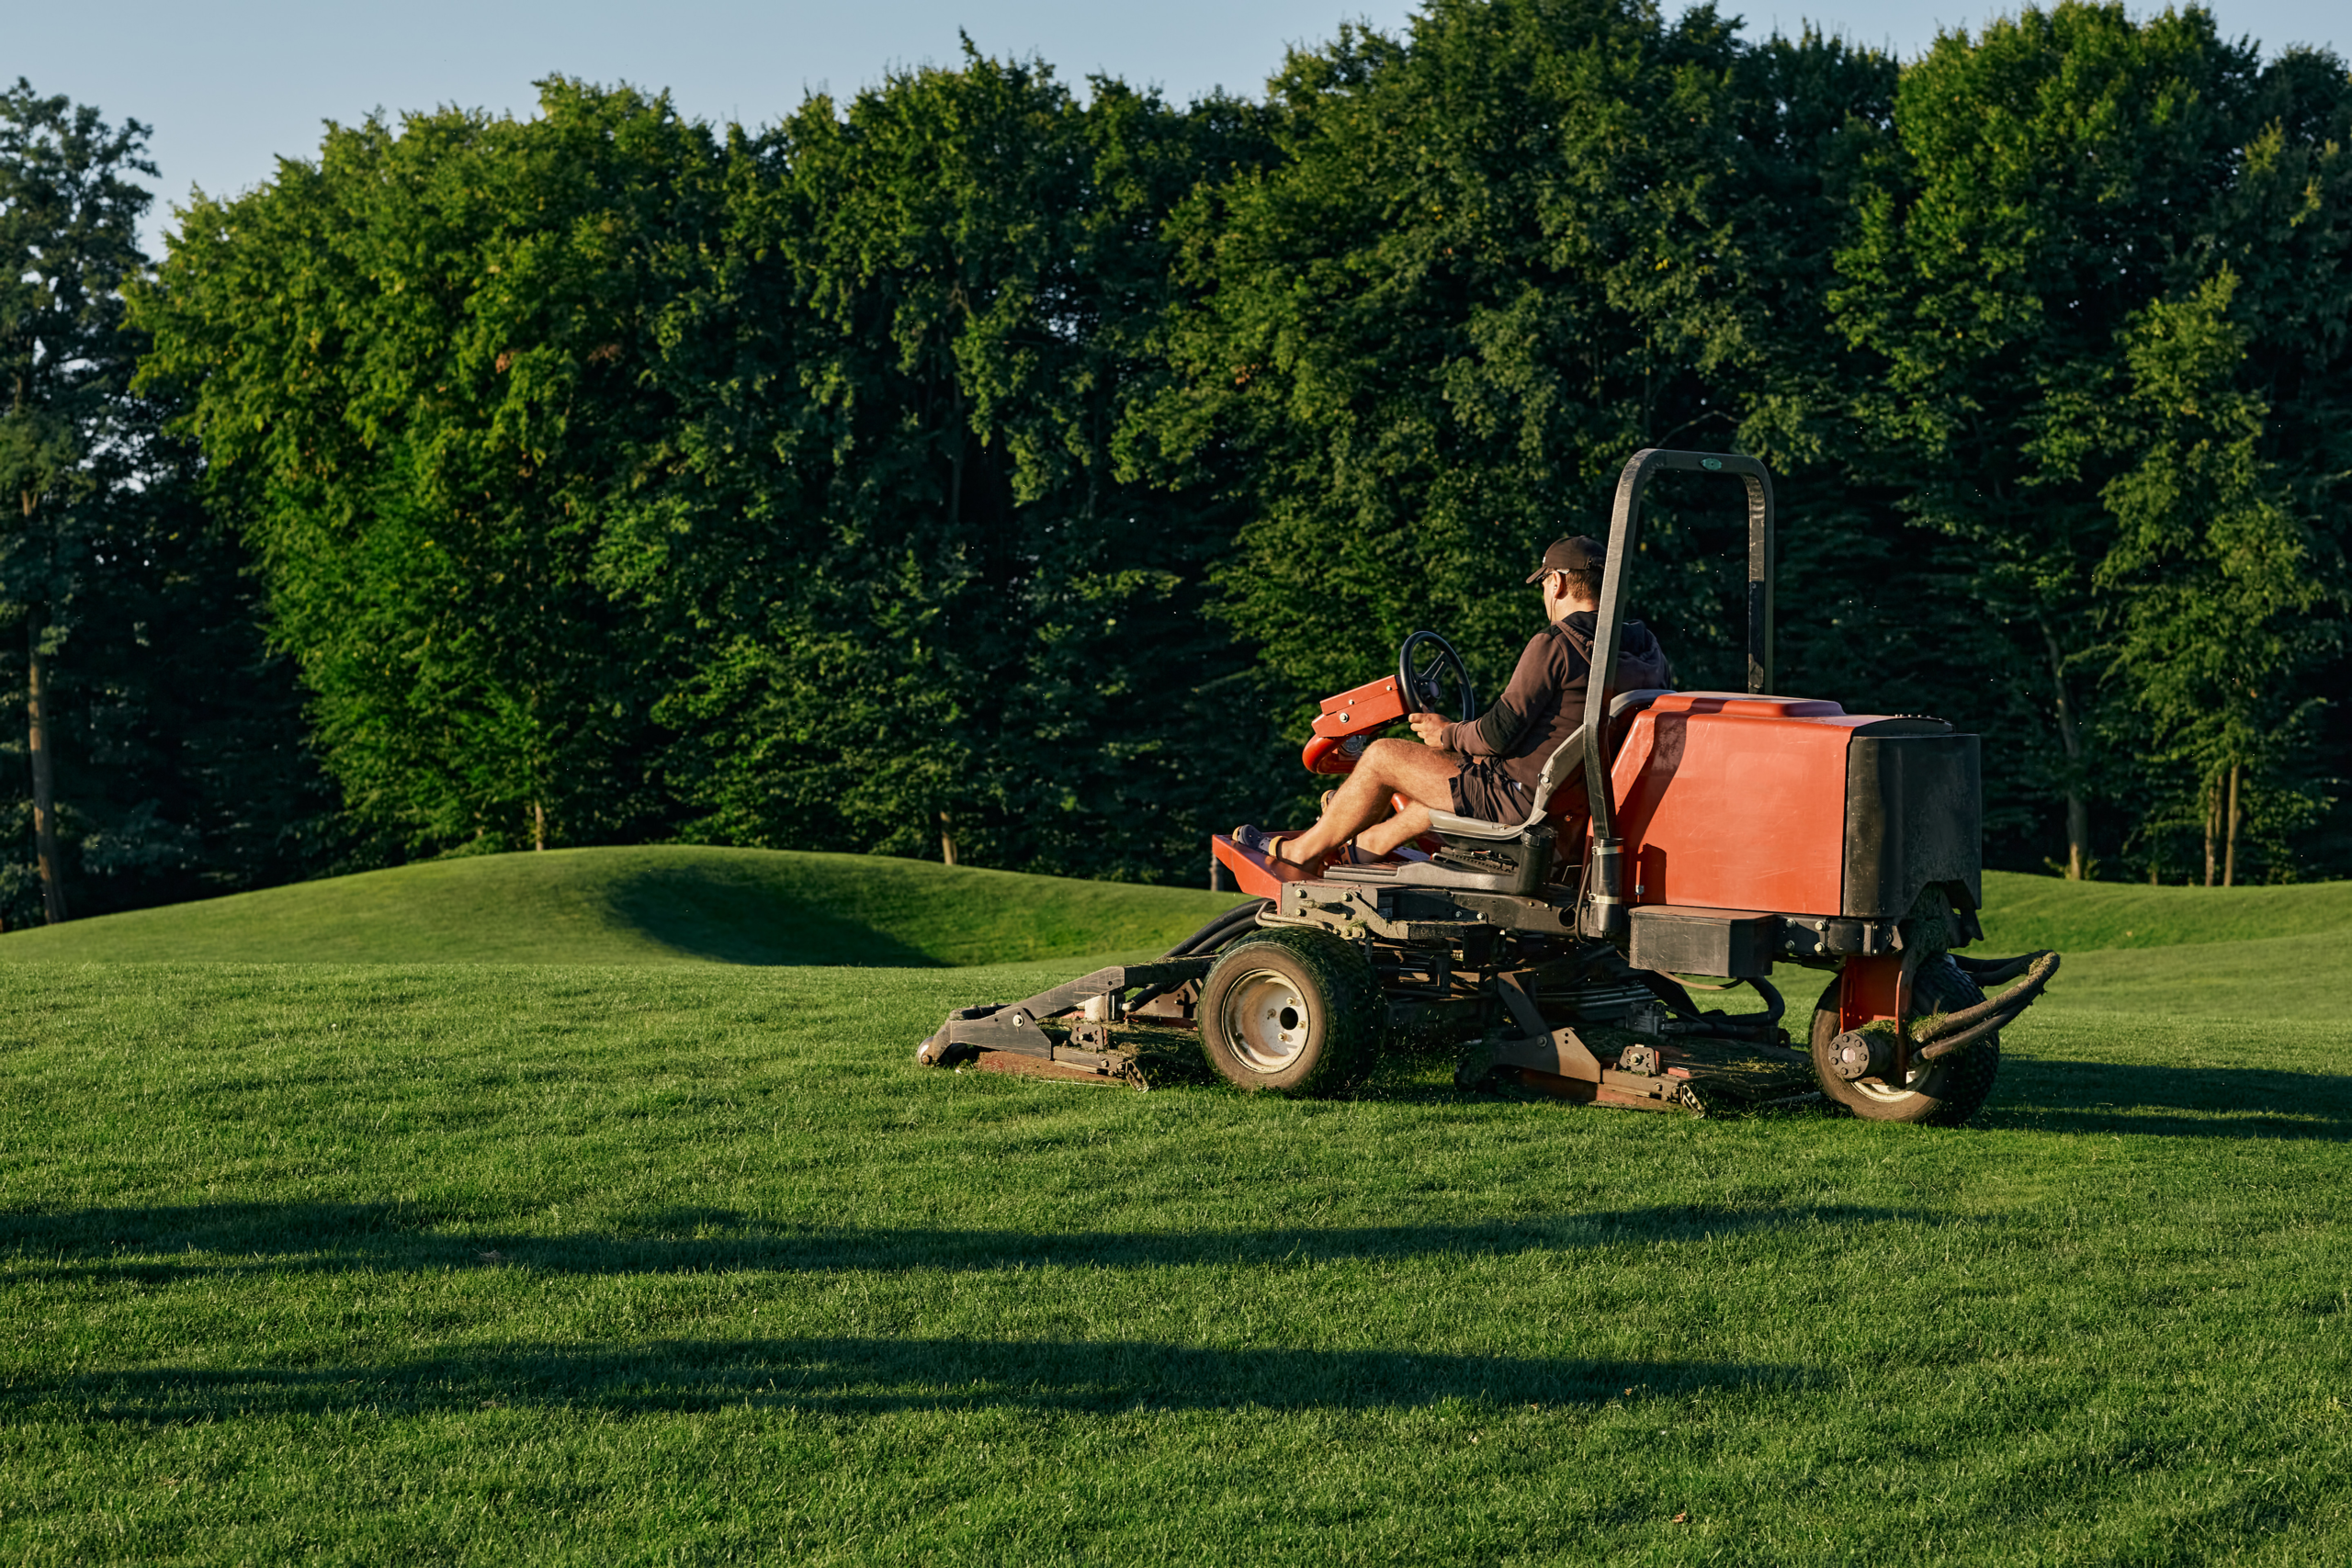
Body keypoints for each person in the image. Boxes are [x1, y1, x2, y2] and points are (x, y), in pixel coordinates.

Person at [1238, 534, 1673, 874]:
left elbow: (1497, 734)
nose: (1544, 593)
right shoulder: (1647, 650)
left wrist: (1444, 732)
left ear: (1556, 581)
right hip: (1571, 802)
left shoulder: (1556, 645)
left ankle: (1300, 851)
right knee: (1437, 778)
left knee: (1382, 755)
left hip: (1520, 801)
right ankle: (1364, 849)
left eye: (1543, 583)